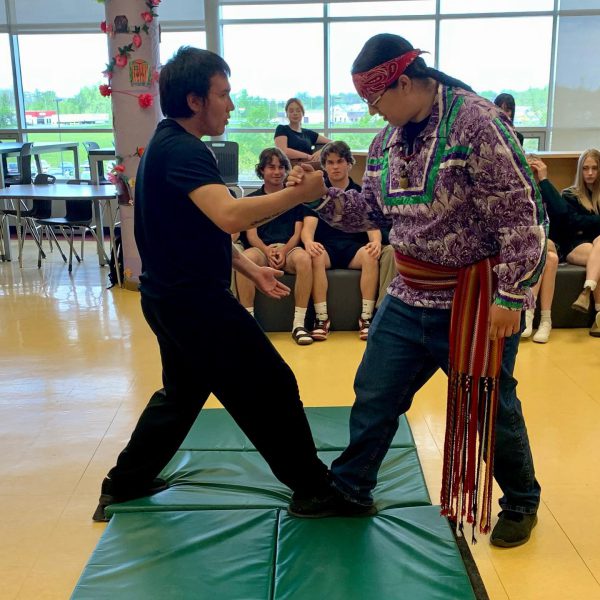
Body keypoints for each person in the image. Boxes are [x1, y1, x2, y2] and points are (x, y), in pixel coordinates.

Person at [288, 33, 546, 546]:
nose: (373, 112)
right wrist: (320, 194)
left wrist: (511, 297)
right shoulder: (387, 142)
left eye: (374, 100)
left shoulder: (478, 123)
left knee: (489, 406)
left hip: (474, 299)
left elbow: (522, 213)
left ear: (403, 83)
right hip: (408, 294)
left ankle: (521, 501)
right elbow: (370, 212)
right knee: (375, 393)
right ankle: (352, 487)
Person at [92, 46, 365, 522]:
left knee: (181, 395)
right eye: (224, 95)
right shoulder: (183, 149)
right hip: (193, 304)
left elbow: (199, 227)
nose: (232, 106)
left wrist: (247, 267)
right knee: (272, 384)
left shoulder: (168, 143)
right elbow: (229, 214)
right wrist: (298, 194)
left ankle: (125, 482)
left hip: (170, 297)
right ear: (195, 100)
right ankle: (312, 489)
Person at [302, 141, 381, 341]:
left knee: (371, 255)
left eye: (339, 161)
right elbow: (308, 228)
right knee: (315, 255)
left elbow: (372, 225)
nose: (335, 166)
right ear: (324, 166)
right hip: (326, 248)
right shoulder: (316, 194)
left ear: (349, 164)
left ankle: (366, 318)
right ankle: (321, 319)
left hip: (353, 248)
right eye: (330, 162)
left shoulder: (361, 192)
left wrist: (376, 242)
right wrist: (309, 242)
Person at [236, 147, 314, 345]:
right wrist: (267, 250)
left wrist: (283, 250)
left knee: (304, 259)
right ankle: (249, 324)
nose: (277, 172)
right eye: (271, 167)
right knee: (247, 259)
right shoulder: (252, 199)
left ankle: (299, 323)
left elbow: (297, 233)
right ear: (262, 170)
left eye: (281, 167)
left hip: (288, 249)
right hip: (261, 248)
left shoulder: (294, 198)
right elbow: (251, 234)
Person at [521, 156, 564, 343]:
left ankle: (532, 315)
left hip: (552, 243)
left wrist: (544, 181)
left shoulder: (545, 191)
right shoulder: (520, 191)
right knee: (548, 257)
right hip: (527, 245)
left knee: (550, 256)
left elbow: (562, 213)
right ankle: (543, 318)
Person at [563, 148, 600, 337]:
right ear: (580, 170)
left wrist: (588, 223)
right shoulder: (569, 195)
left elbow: (583, 222)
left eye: (594, 168)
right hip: (576, 246)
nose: (590, 173)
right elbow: (574, 223)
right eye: (586, 168)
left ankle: (587, 293)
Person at [274, 97, 331, 163]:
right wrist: (307, 156)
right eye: (291, 111)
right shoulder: (282, 129)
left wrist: (320, 151)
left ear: (303, 113)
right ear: (287, 114)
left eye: (298, 111)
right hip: (290, 168)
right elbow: (283, 151)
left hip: (309, 166)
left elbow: (332, 143)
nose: (295, 113)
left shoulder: (309, 133)